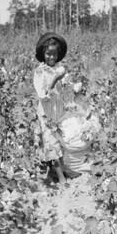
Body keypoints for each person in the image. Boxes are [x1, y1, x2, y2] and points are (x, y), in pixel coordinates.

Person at [33, 32, 77, 184]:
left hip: (59, 110)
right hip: (46, 112)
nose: (51, 57)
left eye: (54, 54)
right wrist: (55, 80)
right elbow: (42, 94)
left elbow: (67, 87)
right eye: (48, 54)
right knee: (52, 143)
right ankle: (61, 178)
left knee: (62, 140)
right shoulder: (40, 71)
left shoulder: (60, 68)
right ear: (43, 54)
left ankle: (58, 170)